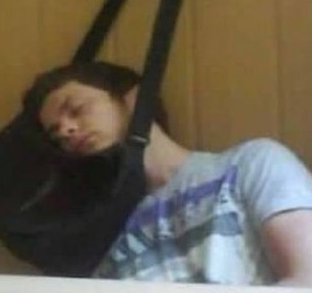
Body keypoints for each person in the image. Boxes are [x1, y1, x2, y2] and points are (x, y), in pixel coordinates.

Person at [21, 60, 312, 287]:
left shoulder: (250, 164)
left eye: (76, 109)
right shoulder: (104, 239)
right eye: (57, 135)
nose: (67, 130)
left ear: (135, 100)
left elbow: (306, 280)